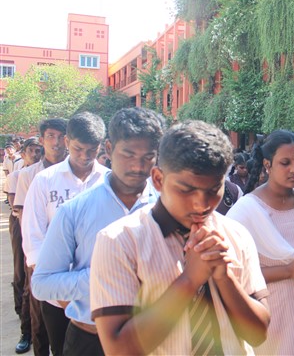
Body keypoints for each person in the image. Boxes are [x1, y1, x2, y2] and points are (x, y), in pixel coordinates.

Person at [90, 120, 270, 355]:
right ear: (158, 179)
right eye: (186, 190)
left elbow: (258, 334)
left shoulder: (236, 234)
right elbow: (119, 350)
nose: (202, 204)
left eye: (213, 190)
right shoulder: (119, 241)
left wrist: (225, 277)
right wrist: (190, 279)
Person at [31, 108, 165, 355]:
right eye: (128, 154)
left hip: (156, 340)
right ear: (109, 148)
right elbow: (42, 284)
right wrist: (103, 277)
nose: (138, 166)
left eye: (148, 157)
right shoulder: (74, 210)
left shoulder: (168, 208)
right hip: (90, 339)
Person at [227, 130, 294, 355]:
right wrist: (289, 270)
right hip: (270, 312)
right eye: (285, 163)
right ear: (268, 164)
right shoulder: (245, 211)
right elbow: (232, 275)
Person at [22, 112, 108, 356]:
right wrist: (62, 297)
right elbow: (34, 239)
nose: (84, 156)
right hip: (57, 296)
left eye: (92, 150)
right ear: (67, 141)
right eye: (78, 149)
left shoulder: (109, 181)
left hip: (99, 293)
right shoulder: (45, 181)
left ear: (102, 146)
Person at [12, 118, 68, 356]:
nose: (56, 142)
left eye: (61, 136)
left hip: (68, 254)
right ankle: (29, 337)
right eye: (51, 136)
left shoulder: (76, 171)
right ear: (43, 139)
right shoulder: (28, 175)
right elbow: (25, 217)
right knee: (35, 300)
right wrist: (35, 256)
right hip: (38, 250)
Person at [5, 137, 43, 354]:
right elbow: (16, 207)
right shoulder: (20, 175)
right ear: (23, 152)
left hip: (44, 231)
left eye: (38, 150)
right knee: (23, 277)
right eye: (31, 150)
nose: (35, 154)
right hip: (24, 227)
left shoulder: (51, 172)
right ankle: (25, 330)